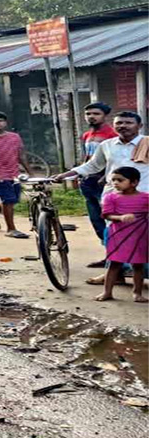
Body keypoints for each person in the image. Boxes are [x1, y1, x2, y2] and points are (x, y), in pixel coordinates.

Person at [56, 111, 149, 285]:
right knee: (113, 237)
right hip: (114, 199)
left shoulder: (147, 143)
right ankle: (115, 274)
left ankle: (137, 275)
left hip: (143, 199)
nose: (123, 126)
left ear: (139, 126)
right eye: (119, 123)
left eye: (128, 123)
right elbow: (93, 165)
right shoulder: (107, 145)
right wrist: (68, 174)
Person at [94, 166, 147, 303]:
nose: (116, 183)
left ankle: (137, 293)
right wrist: (121, 217)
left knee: (138, 265)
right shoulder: (110, 197)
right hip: (118, 235)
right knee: (114, 264)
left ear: (134, 182)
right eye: (113, 180)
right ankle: (107, 292)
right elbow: (107, 215)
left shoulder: (145, 198)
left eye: (120, 180)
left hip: (140, 235)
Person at [79, 103, 118, 267]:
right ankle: (109, 255)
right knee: (97, 221)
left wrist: (104, 177)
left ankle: (118, 260)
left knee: (111, 221)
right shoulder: (87, 134)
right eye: (88, 114)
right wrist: (79, 174)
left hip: (104, 183)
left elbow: (114, 160)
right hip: (88, 182)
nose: (91, 117)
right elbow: (86, 158)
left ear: (105, 116)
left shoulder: (112, 134)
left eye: (96, 113)